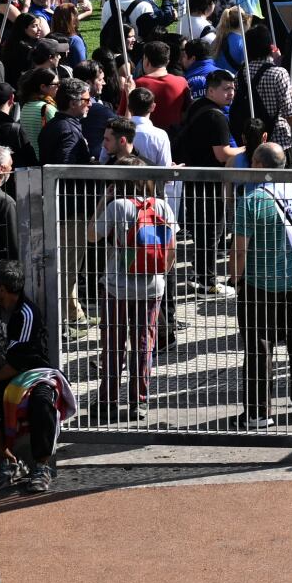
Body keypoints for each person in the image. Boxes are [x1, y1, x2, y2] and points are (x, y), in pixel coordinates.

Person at [232, 147, 292, 429]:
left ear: (258, 164)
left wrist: (235, 278)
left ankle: (258, 412)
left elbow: (240, 250)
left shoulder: (251, 200)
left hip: (259, 285)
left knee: (259, 349)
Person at [0, 262, 65, 493]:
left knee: (43, 403)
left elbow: (20, 362)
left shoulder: (27, 314)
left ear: (2, 290)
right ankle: (12, 463)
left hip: (31, 375)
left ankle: (41, 467)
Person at [90, 169, 174, 422]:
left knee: (113, 344)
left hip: (118, 286)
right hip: (152, 287)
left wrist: (103, 200)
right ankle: (139, 402)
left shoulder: (117, 206)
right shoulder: (162, 205)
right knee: (144, 345)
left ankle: (108, 400)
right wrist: (159, 275)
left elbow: (92, 234)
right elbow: (171, 250)